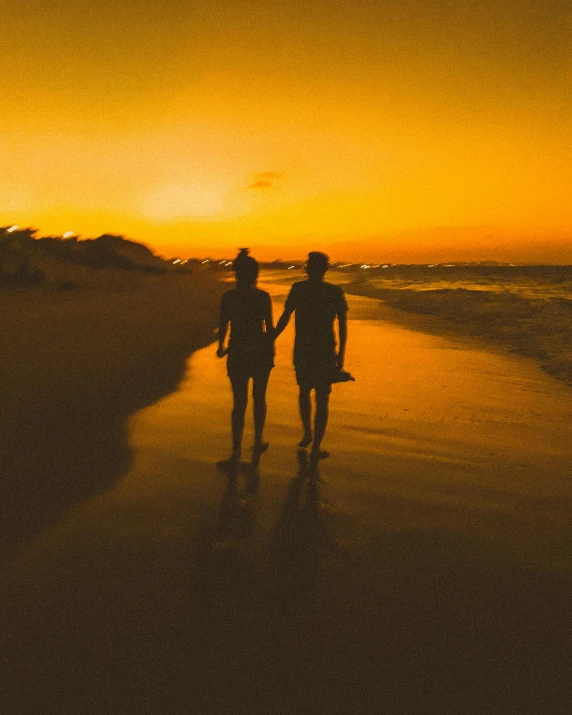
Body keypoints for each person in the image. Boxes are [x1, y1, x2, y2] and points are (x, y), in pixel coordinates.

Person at [274, 251, 348, 459]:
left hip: (304, 348)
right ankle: (316, 445)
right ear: (326, 269)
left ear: (308, 268)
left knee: (305, 391)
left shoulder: (299, 289)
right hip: (325, 349)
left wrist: (271, 337)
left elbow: (285, 317)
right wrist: (341, 353)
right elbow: (342, 325)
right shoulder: (334, 291)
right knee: (322, 397)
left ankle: (307, 432)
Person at [217, 248, 274, 468]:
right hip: (260, 351)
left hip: (238, 350)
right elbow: (268, 327)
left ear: (236, 273)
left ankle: (236, 451)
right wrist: (271, 349)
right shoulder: (262, 297)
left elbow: (224, 325)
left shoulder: (228, 297)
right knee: (259, 398)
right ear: (255, 274)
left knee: (239, 402)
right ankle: (258, 441)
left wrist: (221, 347)